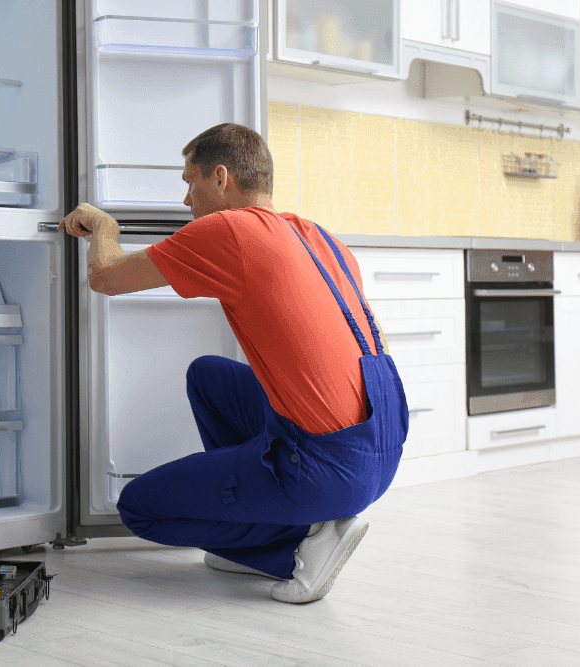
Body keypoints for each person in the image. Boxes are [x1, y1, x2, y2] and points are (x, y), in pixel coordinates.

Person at [57, 123, 408, 603]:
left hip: (326, 466)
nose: (186, 201)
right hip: (381, 445)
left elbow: (106, 277)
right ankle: (256, 534)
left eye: (191, 184)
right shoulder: (320, 237)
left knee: (140, 509)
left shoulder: (229, 230)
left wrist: (104, 226)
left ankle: (298, 550)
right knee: (210, 377)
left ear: (221, 178)